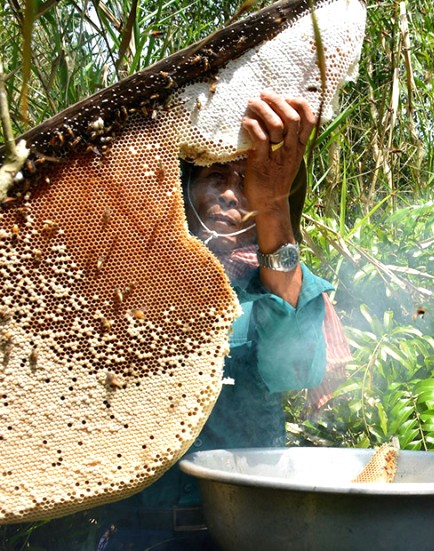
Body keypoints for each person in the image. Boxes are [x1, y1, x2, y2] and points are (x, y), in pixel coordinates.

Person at [23, 91, 351, 550]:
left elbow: (297, 369)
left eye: (247, 182)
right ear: (184, 188)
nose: (234, 193)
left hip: (246, 530)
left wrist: (274, 201)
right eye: (218, 176)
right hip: (139, 532)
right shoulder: (130, 277)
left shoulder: (277, 282)